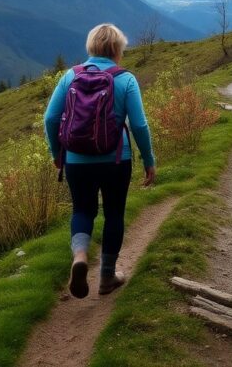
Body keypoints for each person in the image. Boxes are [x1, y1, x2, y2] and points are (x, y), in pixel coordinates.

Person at [44, 23, 156, 299]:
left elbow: (51, 118)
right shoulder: (126, 79)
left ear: (91, 46)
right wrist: (148, 160)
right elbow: (139, 125)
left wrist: (56, 153)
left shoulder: (70, 76)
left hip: (76, 160)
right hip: (116, 160)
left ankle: (80, 256)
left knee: (82, 210)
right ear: (118, 49)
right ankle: (107, 276)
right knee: (114, 213)